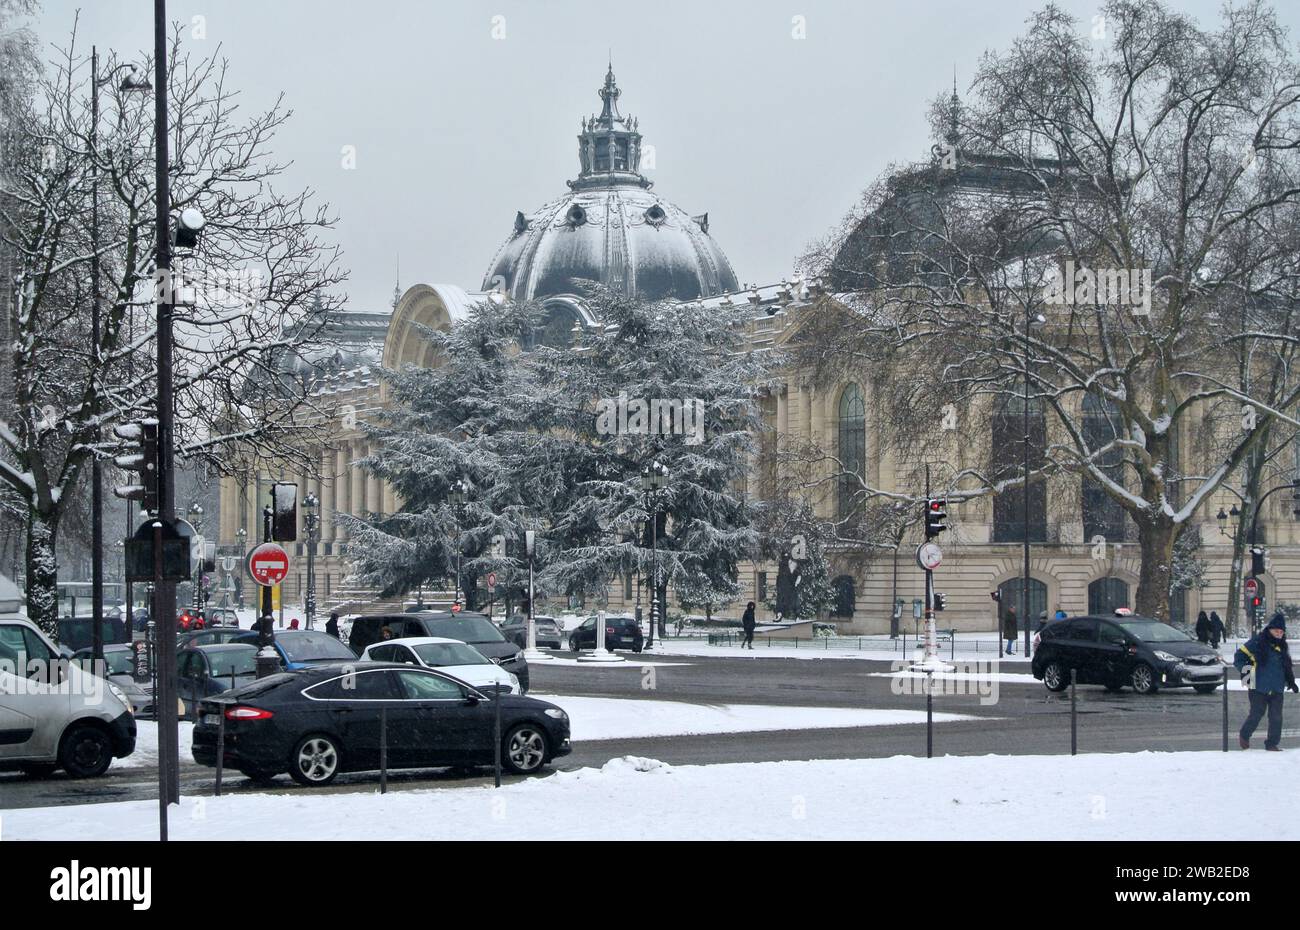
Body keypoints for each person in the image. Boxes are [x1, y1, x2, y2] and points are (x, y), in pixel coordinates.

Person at [1234, 612, 1298, 751]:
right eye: (1276, 631)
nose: (1279, 634)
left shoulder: (1282, 646)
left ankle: (1272, 743)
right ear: (1270, 629)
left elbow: (1285, 666)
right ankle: (1244, 735)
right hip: (1258, 686)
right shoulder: (1257, 642)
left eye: (1281, 632)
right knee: (1257, 714)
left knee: (1276, 717)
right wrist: (1247, 677)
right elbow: (1239, 657)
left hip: (1277, 687)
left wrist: (1291, 682)